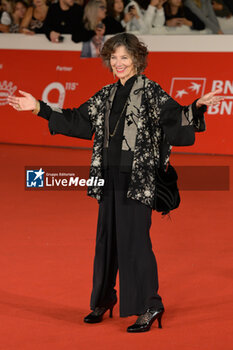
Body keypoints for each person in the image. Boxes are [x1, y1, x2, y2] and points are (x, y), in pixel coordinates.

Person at [7, 33, 223, 333]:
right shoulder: (106, 94)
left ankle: (150, 304)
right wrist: (38, 107)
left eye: (124, 57)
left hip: (137, 179)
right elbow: (78, 120)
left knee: (135, 241)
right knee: (106, 240)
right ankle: (105, 298)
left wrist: (197, 106)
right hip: (107, 175)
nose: (118, 63)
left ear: (136, 59)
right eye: (114, 57)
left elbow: (175, 117)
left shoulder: (149, 91)